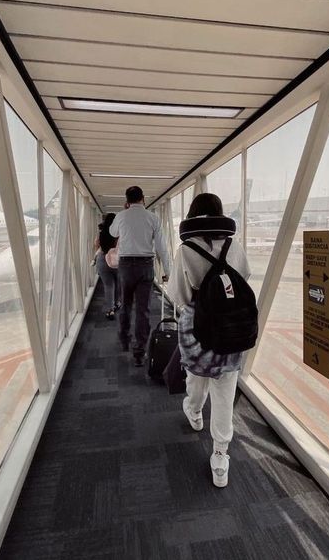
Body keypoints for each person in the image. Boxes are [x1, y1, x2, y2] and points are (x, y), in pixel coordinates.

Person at [167, 193, 250, 488]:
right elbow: (245, 277)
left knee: (197, 378)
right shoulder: (234, 245)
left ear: (192, 214)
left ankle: (194, 411)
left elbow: (178, 295)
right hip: (231, 327)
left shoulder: (186, 249)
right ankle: (220, 455)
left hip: (197, 329)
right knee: (225, 390)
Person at [109, 186, 170, 367]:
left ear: (126, 200)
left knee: (125, 304)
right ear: (143, 198)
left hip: (126, 265)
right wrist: (168, 271)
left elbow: (113, 233)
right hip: (146, 266)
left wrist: (125, 214)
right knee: (143, 310)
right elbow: (162, 248)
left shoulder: (121, 216)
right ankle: (139, 351)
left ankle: (124, 339)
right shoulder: (153, 218)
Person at [94, 214, 120, 320]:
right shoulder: (119, 232)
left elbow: (96, 245)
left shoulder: (101, 232)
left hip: (102, 259)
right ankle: (117, 303)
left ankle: (110, 310)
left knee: (108, 285)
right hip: (116, 261)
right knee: (118, 283)